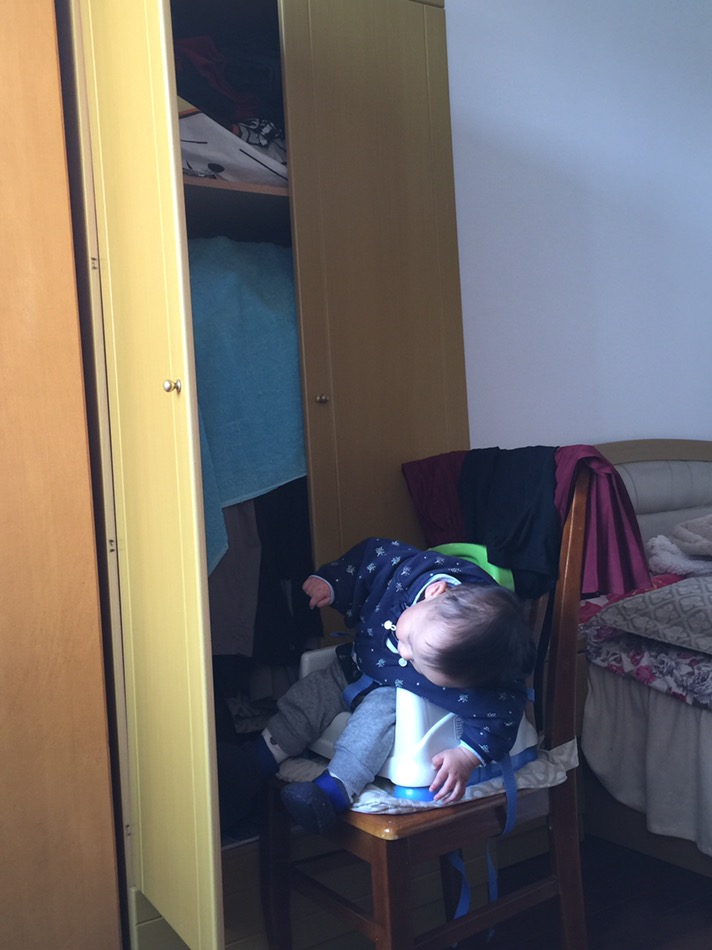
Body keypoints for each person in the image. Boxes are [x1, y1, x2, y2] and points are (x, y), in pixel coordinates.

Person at [217, 537, 536, 836]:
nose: (405, 654)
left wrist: (467, 756)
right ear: (434, 592)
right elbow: (370, 558)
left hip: (394, 695)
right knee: (308, 697)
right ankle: (257, 759)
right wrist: (332, 583)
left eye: (419, 662)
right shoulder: (407, 574)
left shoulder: (475, 666)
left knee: (370, 728)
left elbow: (502, 710)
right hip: (356, 663)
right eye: (408, 641)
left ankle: (331, 793)